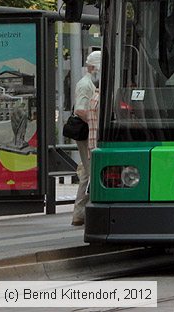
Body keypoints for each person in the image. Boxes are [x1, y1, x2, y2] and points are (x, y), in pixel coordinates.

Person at [71, 50, 101, 227]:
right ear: (93, 67)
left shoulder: (91, 82)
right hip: (88, 134)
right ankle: (80, 212)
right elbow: (80, 110)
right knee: (89, 172)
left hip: (90, 132)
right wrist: (95, 123)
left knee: (86, 172)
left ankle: (80, 213)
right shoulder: (86, 84)